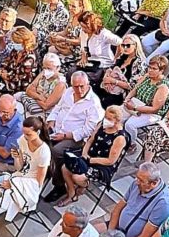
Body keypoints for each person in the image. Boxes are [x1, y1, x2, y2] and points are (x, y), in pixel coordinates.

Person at [44, 71, 105, 202]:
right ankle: (42, 172)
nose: (78, 89)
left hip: (74, 138)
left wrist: (65, 136)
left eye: (81, 86)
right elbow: (58, 107)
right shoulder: (68, 92)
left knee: (56, 151)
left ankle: (59, 185)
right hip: (57, 129)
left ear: (88, 84)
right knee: (40, 139)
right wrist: (51, 120)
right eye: (75, 86)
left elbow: (88, 130)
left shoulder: (93, 103)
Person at [58, 105, 129, 206]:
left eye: (109, 119)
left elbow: (110, 161)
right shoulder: (102, 125)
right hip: (89, 154)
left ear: (116, 121)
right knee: (65, 168)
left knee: (77, 177)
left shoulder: (120, 138)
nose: (106, 120)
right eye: (106, 117)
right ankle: (72, 194)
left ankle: (83, 186)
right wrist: (84, 154)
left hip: (102, 164)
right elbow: (90, 140)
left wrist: (90, 160)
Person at [108, 163, 169, 237]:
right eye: (137, 178)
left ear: (154, 183)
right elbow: (118, 209)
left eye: (141, 180)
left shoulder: (163, 203)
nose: (136, 182)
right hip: (118, 231)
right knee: (94, 236)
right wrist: (109, 234)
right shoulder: (136, 184)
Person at [121, 56, 169, 139]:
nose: (150, 70)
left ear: (161, 71)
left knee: (130, 124)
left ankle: (131, 144)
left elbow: (154, 109)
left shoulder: (163, 87)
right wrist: (127, 99)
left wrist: (135, 108)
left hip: (152, 113)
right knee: (117, 115)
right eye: (149, 67)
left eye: (154, 69)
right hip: (138, 102)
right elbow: (135, 89)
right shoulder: (147, 76)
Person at [97, 33, 148, 108]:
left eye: (128, 45)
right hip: (109, 85)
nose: (125, 48)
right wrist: (106, 78)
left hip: (122, 93)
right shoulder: (123, 56)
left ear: (136, 45)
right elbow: (110, 68)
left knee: (104, 103)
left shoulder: (139, 63)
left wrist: (113, 81)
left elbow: (133, 86)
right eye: (123, 45)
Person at [0, 26, 38, 93]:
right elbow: (7, 62)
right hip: (7, 77)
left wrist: (2, 75)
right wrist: (3, 71)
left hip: (17, 84)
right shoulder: (16, 51)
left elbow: (20, 78)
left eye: (15, 42)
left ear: (24, 43)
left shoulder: (29, 59)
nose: (13, 44)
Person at [17, 52, 68, 117]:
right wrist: (40, 97)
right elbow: (28, 90)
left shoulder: (61, 84)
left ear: (58, 68)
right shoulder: (43, 73)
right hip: (33, 102)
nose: (46, 71)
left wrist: (33, 95)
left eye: (49, 68)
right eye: (44, 68)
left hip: (46, 112)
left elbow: (46, 106)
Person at [47, 0, 88, 65]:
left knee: (52, 58)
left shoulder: (85, 22)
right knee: (49, 49)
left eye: (73, 6)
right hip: (67, 46)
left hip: (76, 51)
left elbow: (80, 42)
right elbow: (64, 32)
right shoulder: (73, 17)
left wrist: (63, 39)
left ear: (81, 7)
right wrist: (55, 34)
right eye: (69, 5)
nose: (70, 8)